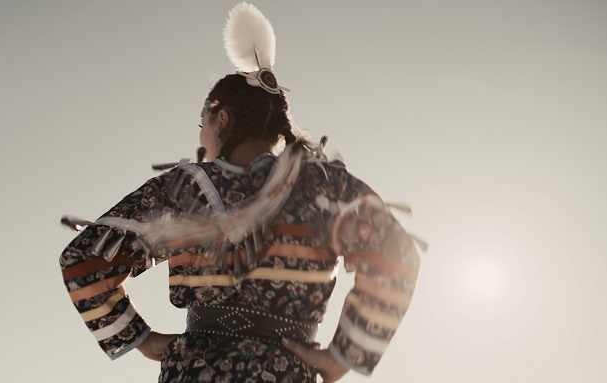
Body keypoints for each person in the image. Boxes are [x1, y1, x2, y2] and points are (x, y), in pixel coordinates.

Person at [58, 3, 423, 382]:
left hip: (197, 371)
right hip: (285, 371)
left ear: (223, 119)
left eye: (203, 122)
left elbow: (83, 258)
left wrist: (142, 340)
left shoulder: (181, 190)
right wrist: (345, 355)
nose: (200, 134)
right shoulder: (326, 187)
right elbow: (395, 254)